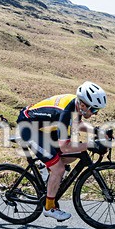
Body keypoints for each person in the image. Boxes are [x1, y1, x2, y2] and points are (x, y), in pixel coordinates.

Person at [16, 81, 107, 221]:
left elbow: (76, 123)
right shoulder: (65, 113)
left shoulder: (75, 104)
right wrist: (92, 144)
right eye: (94, 110)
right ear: (83, 105)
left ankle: (47, 169)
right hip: (29, 128)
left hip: (45, 126)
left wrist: (97, 131)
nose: (95, 113)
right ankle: (49, 207)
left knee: (72, 156)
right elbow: (65, 146)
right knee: (59, 168)